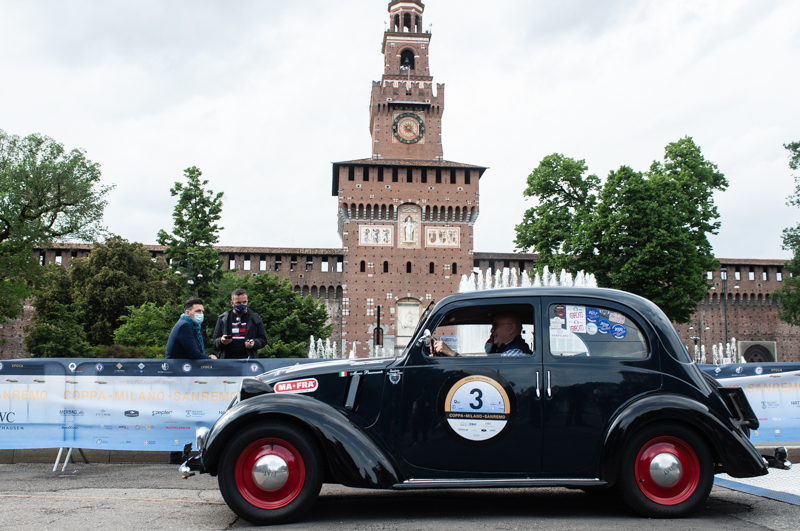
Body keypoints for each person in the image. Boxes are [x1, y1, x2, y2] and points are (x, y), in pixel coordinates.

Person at [165, 298, 216, 464]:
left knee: (182, 414)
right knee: (183, 414)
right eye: (198, 311)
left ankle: (178, 452)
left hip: (181, 377)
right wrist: (210, 358)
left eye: (202, 311)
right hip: (180, 378)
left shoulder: (187, 324)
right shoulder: (185, 326)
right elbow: (195, 354)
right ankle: (177, 453)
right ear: (188, 312)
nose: (201, 314)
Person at [432, 312, 532, 357]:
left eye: (495, 326)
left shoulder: (516, 353)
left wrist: (451, 353)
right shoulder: (504, 349)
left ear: (511, 329)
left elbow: (486, 373)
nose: (491, 330)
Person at [213, 288, 267, 359]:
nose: (242, 305)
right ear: (232, 303)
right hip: (228, 359)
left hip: (248, 359)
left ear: (247, 302)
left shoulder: (255, 318)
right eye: (238, 303)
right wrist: (221, 341)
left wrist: (254, 343)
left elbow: (263, 340)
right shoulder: (223, 319)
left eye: (244, 302)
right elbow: (215, 342)